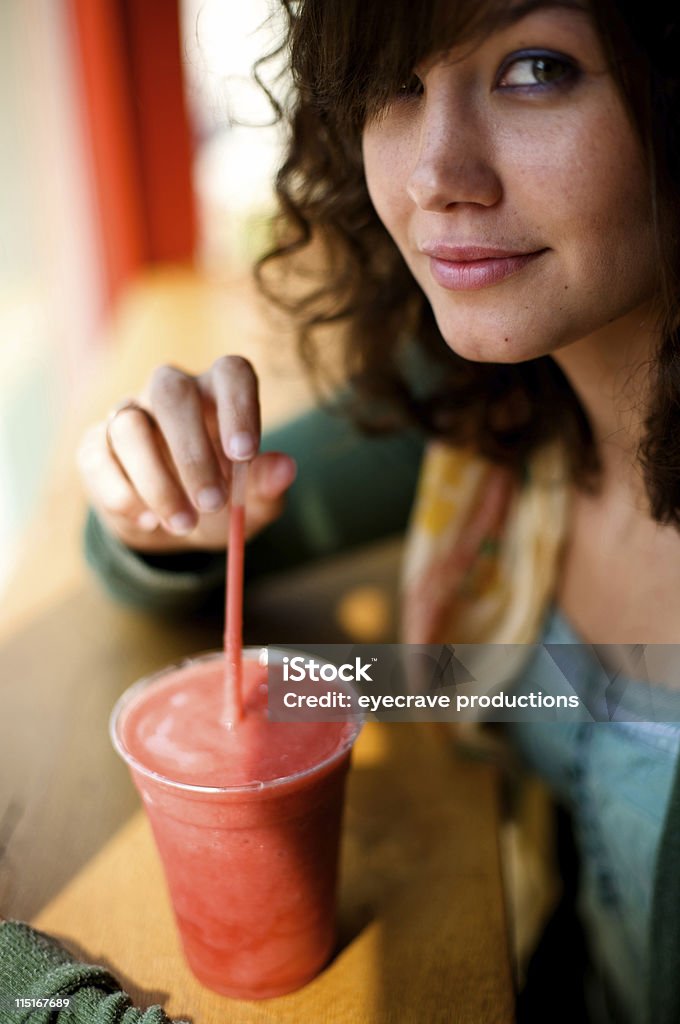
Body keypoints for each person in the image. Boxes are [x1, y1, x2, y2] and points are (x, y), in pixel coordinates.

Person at [22, 0, 680, 1021]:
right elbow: (190, 530)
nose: (432, 175)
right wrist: (158, 492)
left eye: (536, 68)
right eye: (394, 85)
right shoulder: (491, 410)